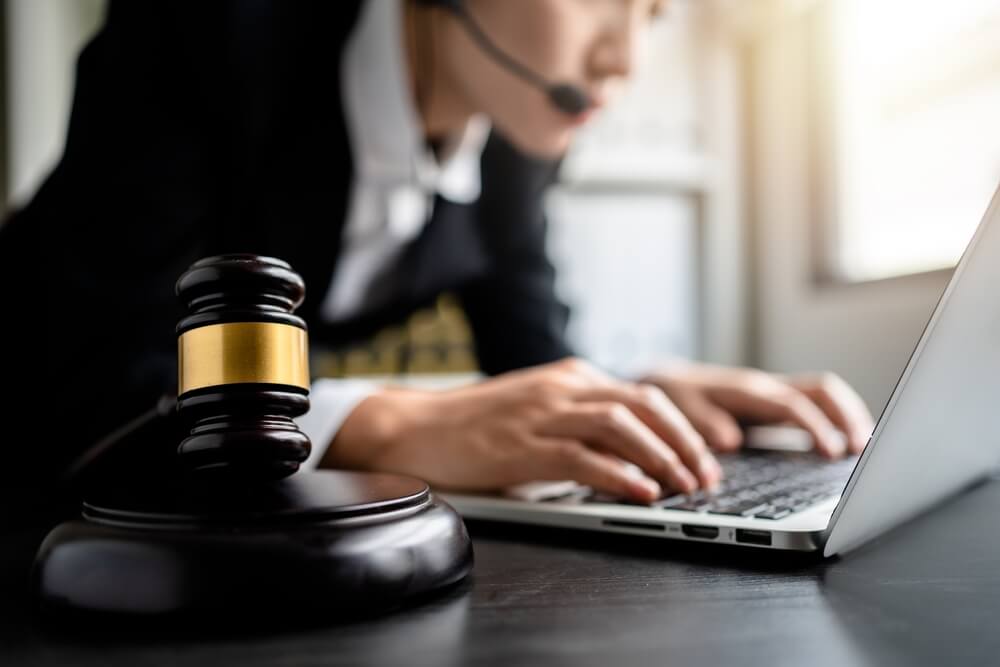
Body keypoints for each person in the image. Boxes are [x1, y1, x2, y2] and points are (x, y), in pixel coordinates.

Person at [2, 0, 873, 507]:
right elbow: (100, 396)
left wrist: (631, 393)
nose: (624, 59)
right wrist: (396, 420)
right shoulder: (206, 29)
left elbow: (532, 361)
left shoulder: (512, 142)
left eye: (653, 8)